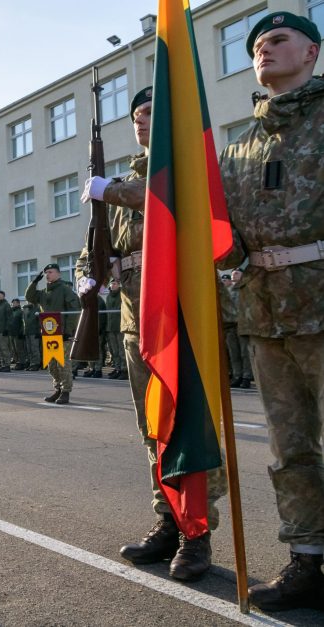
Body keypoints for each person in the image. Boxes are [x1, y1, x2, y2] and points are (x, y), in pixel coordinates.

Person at [81, 87, 226, 581]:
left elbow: (172, 202)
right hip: (134, 319)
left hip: (181, 318)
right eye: (136, 116)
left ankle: (197, 532)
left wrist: (109, 191)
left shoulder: (182, 168)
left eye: (150, 114)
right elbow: (97, 244)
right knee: (153, 429)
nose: (141, 122)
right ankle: (166, 521)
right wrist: (87, 273)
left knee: (189, 426)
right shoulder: (119, 181)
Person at [217, 12, 324, 611]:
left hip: (323, 301)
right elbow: (223, 232)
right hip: (264, 312)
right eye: (256, 45)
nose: (264, 50)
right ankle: (306, 561)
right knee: (290, 450)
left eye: (278, 40)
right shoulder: (240, 147)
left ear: (312, 52)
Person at [25, 263, 79, 404]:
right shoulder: (43, 293)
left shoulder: (65, 290)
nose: (48, 274)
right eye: (46, 272)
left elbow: (74, 311)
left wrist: (68, 331)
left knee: (63, 363)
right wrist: (34, 282)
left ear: (58, 274)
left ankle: (66, 391)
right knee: (52, 364)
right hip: (50, 333)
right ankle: (58, 389)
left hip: (63, 333)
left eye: (51, 272)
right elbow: (29, 296)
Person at [105, 279, 126, 379]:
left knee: (122, 350)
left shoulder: (122, 295)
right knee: (114, 351)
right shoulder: (108, 296)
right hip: (111, 327)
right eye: (111, 283)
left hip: (120, 326)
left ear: (119, 285)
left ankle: (124, 370)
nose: (112, 285)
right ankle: (118, 368)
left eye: (114, 284)